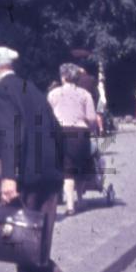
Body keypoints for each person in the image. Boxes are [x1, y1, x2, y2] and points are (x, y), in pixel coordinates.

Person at [0, 46, 65, 272]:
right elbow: (56, 129)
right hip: (50, 174)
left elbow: (10, 132)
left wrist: (9, 177)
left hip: (26, 175)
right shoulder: (32, 88)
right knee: (39, 247)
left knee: (24, 245)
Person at [47, 63, 99, 215]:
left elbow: (48, 116)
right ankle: (80, 199)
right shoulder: (85, 94)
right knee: (81, 166)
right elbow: (91, 118)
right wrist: (91, 129)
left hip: (60, 132)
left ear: (63, 77)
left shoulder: (53, 94)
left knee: (66, 169)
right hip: (80, 133)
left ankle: (70, 205)